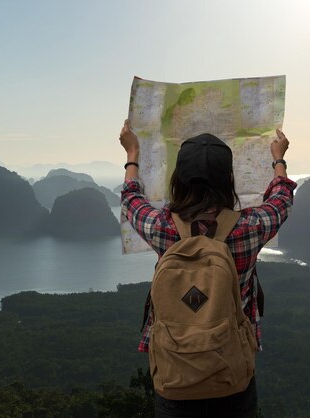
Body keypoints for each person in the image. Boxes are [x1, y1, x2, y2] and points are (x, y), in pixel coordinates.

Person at [119, 119, 296, 418]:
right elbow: (282, 200)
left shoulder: (162, 228)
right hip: (231, 378)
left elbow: (131, 200)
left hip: (175, 379)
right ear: (229, 179)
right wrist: (278, 158)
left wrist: (132, 155)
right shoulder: (248, 228)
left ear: (178, 179)